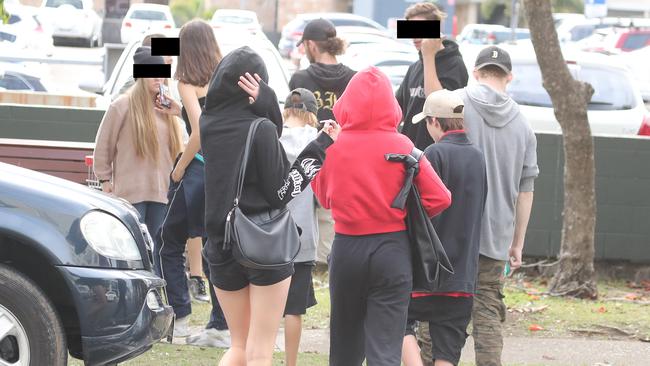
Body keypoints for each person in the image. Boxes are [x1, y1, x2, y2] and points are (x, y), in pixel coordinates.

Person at [200, 46, 339, 366]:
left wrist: (264, 104)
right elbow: (281, 192)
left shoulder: (209, 124)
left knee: (238, 346)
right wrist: (319, 148)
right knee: (260, 350)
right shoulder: (262, 129)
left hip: (221, 243)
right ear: (257, 85)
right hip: (263, 243)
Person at [310, 66, 452, 366]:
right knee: (385, 347)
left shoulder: (334, 147)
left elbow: (323, 197)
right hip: (392, 249)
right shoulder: (403, 146)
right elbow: (441, 197)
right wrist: (406, 210)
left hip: (347, 248)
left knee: (345, 345)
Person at [458, 46, 539, 366]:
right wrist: (517, 242)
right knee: (488, 312)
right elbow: (526, 190)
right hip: (496, 237)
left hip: (453, 234)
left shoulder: (457, 104)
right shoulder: (524, 126)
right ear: (509, 77)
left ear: (476, 73)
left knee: (438, 312)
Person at [152, 19, 229, 345]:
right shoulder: (226, 77)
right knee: (216, 247)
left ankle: (180, 318)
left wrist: (180, 168)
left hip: (198, 168)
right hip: (225, 171)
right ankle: (221, 325)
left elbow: (200, 132)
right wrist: (179, 111)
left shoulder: (186, 80)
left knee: (168, 240)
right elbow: (210, 117)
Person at [401, 89, 487, 366]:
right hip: (463, 274)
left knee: (398, 322)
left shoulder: (433, 154)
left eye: (427, 123)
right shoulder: (478, 157)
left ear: (435, 122)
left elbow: (418, 212)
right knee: (447, 352)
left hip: (428, 272)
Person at [93, 46, 184, 272]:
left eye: (161, 71)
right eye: (152, 71)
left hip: (162, 195)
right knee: (131, 252)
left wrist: (179, 111)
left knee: (158, 253)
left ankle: (157, 300)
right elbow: (103, 147)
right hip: (129, 195)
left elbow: (184, 147)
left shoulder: (168, 107)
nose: (157, 76)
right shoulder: (121, 106)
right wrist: (106, 183)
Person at [289, 18, 355, 266]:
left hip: (306, 151)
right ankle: (325, 261)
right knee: (331, 211)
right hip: (340, 152)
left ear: (311, 45)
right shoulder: (352, 78)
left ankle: (302, 255)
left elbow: (294, 118)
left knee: (302, 206)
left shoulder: (300, 79)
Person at [278, 88, 320, 366]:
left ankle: (259, 356)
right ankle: (291, 363)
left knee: (267, 307)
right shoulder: (318, 143)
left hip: (270, 236)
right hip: (303, 236)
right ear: (311, 113)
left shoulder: (272, 138)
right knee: (294, 309)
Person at [396, 2, 469, 150]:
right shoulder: (415, 67)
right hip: (409, 153)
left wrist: (429, 56)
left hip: (437, 154)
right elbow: (397, 111)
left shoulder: (454, 64)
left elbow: (438, 104)